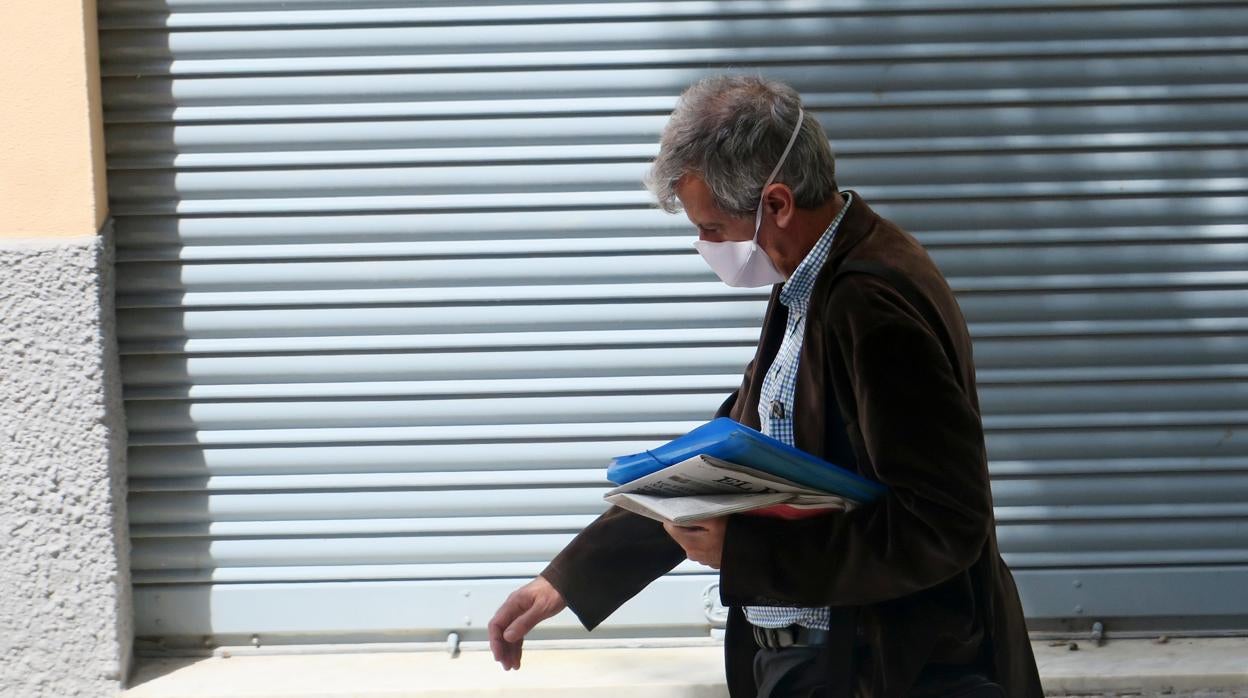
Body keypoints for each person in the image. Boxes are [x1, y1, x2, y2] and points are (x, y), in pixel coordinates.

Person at [488, 74, 1044, 698]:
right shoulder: (808, 281)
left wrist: (747, 555)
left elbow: (943, 525)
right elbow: (735, 451)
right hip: (818, 660)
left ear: (776, 204)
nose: (706, 246)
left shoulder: (870, 303)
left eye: (712, 228)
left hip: (879, 667)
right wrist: (569, 579)